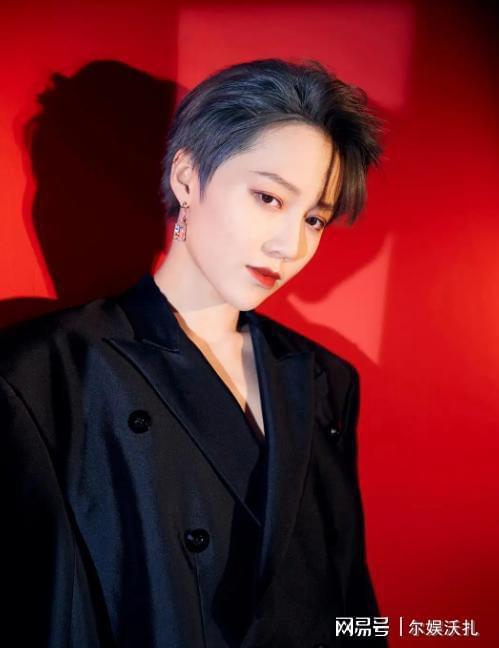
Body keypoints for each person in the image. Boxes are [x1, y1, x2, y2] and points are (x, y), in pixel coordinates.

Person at [0, 58, 385, 647]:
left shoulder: (324, 378)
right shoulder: (46, 374)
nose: (290, 245)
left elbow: (349, 597)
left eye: (314, 218)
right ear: (186, 177)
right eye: (268, 198)